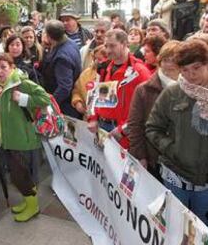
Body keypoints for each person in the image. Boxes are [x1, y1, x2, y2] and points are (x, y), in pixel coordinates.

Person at [146, 40, 208, 225]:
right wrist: (173, 149)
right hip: (175, 174)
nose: (191, 75)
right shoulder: (172, 93)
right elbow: (152, 127)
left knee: (202, 228)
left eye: (196, 68)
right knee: (175, 226)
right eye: (185, 70)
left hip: (205, 181)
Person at [0, 53, 50, 222]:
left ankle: (33, 206)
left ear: (12, 67)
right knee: (16, 175)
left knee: (22, 175)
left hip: (23, 139)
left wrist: (23, 98)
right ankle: (28, 202)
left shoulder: (22, 83)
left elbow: (44, 99)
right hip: (5, 139)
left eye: (3, 67)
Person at [87, 29, 151, 149]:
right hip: (102, 128)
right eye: (106, 46)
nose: (108, 50)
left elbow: (147, 110)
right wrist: (92, 118)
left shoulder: (140, 72)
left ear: (124, 44)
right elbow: (93, 95)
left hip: (124, 135)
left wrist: (123, 130)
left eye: (112, 46)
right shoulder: (103, 68)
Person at [128, 41, 179, 180]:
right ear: (159, 61)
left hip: (181, 162)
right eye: (166, 59)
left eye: (174, 59)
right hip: (153, 159)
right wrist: (140, 156)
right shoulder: (143, 90)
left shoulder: (191, 88)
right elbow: (135, 125)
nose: (169, 64)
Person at [41, 20, 82, 118]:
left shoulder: (62, 57)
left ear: (49, 36)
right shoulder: (71, 43)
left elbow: (64, 88)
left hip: (65, 107)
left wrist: (50, 105)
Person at [72, 45, 107, 117]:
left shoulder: (112, 74)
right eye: (95, 58)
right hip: (88, 117)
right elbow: (77, 91)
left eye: (100, 59)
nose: (96, 61)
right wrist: (77, 102)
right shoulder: (86, 73)